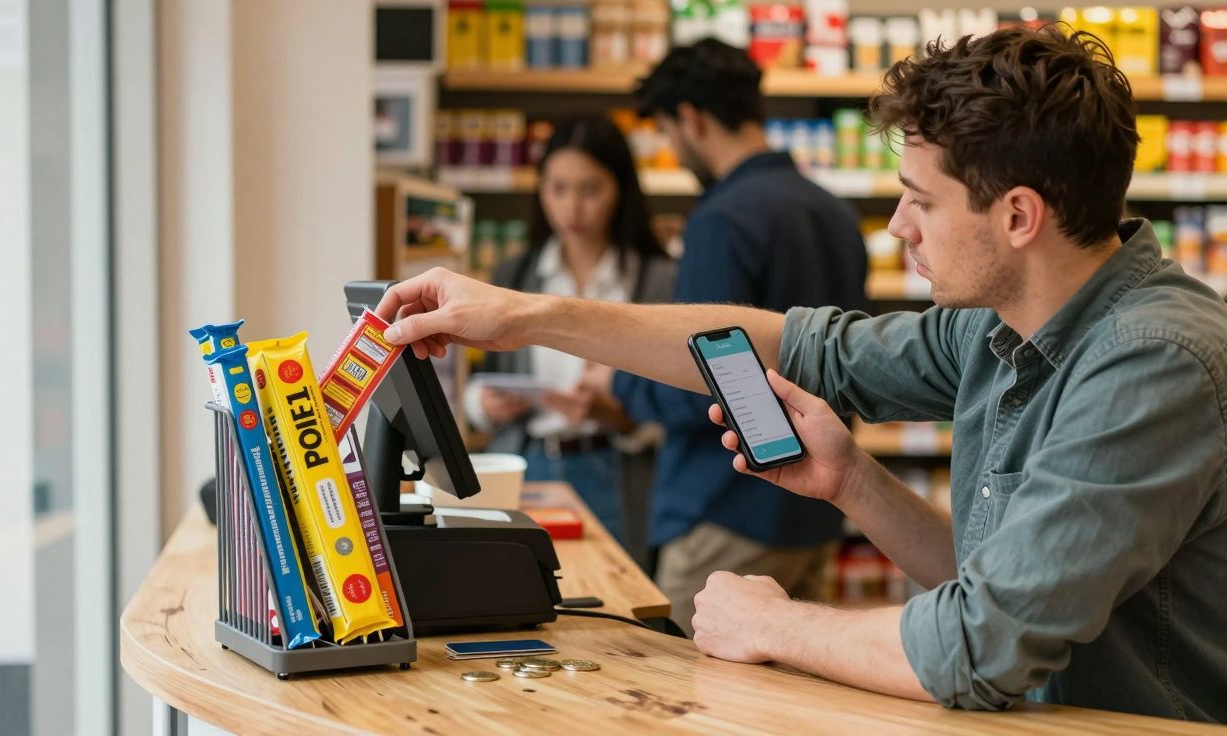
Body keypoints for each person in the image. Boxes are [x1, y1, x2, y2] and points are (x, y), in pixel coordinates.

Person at [372, 26, 1227, 721]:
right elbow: (796, 347)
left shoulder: (1151, 362)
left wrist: (773, 625)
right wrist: (521, 315)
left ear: (1017, 216)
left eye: (921, 201)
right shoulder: (996, 329)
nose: (898, 226)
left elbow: (981, 645)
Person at [608, 38, 867, 632]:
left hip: (722, 511)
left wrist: (621, 380)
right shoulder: (832, 211)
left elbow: (695, 379)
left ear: (692, 119)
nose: (674, 150)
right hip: (814, 512)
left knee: (690, 704)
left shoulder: (723, 218)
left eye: (670, 133)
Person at [463, 114, 676, 542]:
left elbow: (679, 407)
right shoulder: (516, 273)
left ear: (621, 189)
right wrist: (485, 405)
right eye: (557, 188)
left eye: (590, 189)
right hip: (527, 463)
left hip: (615, 472)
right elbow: (476, 384)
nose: (571, 207)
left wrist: (617, 417)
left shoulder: (657, 280)